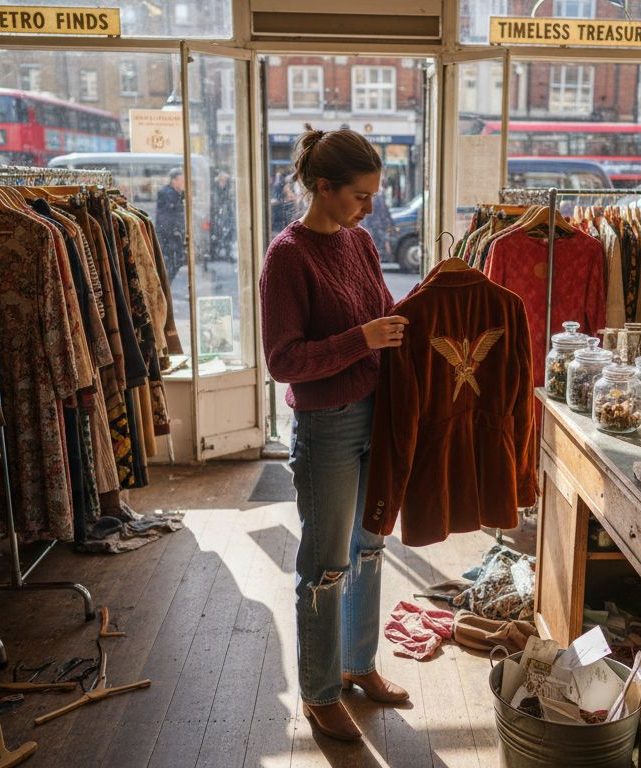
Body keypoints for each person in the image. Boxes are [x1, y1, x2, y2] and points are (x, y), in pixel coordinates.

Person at [259, 127, 410, 742]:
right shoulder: (288, 256)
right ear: (323, 188)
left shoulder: (362, 243)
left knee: (369, 548)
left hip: (377, 414)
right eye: (360, 196)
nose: (370, 208)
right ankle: (321, 693)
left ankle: (359, 663)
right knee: (324, 565)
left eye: (373, 196)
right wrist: (362, 341)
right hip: (326, 426)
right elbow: (283, 361)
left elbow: (382, 316)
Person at [155, 168, 187, 280]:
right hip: (169, 238)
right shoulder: (167, 194)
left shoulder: (177, 193)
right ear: (174, 180)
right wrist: (175, 232)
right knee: (170, 266)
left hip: (172, 237)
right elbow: (166, 218)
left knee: (175, 264)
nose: (184, 183)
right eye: (182, 180)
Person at [210, 170, 236, 263]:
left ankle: (227, 253)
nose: (224, 180)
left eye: (225, 179)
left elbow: (230, 200)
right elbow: (215, 201)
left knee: (228, 234)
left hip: (227, 214)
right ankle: (215, 253)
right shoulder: (215, 187)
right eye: (222, 178)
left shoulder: (229, 187)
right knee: (217, 233)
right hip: (218, 214)